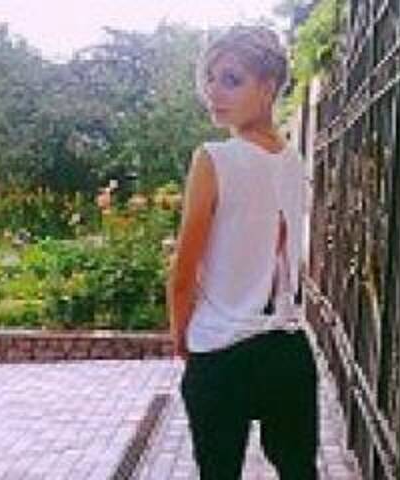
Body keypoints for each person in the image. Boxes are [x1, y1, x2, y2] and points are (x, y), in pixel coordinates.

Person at [166, 25, 318, 480]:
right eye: (210, 78)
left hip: (222, 351)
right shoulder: (294, 161)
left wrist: (181, 337)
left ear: (268, 87)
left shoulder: (214, 158)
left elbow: (183, 270)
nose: (214, 92)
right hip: (287, 350)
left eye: (231, 80)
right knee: (298, 471)